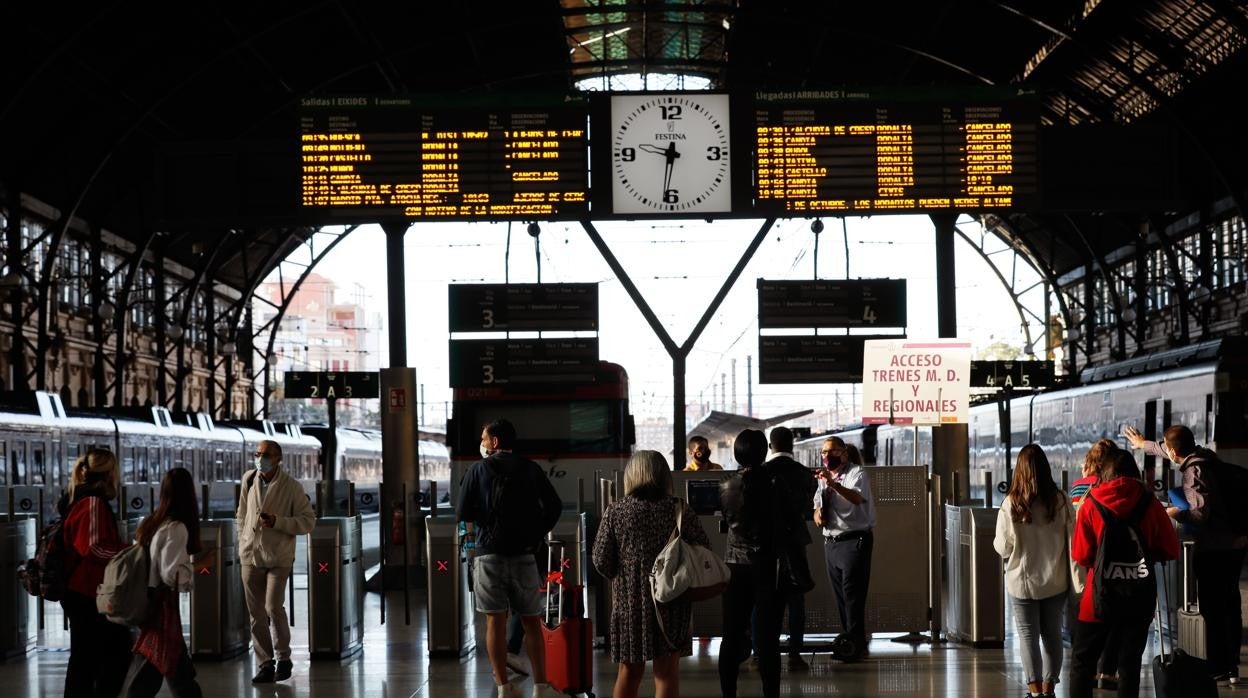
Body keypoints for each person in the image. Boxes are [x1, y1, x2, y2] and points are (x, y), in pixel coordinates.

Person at [1125, 423, 1247, 685]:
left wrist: (1174, 512)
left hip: (1214, 548)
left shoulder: (1194, 471)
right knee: (1230, 605)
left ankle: (1219, 669)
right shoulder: (1207, 456)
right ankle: (1232, 666)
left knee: (1214, 609)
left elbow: (1199, 513)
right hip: (1235, 544)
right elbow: (1168, 447)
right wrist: (1144, 444)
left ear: (1172, 451)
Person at [457, 419, 563, 698]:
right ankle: (540, 686)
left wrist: (486, 520)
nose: (481, 443)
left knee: (495, 622)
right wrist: (535, 532)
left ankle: (504, 686)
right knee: (531, 622)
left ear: (494, 442)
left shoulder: (477, 470)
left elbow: (461, 512)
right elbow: (554, 505)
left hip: (488, 555)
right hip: (524, 555)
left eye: (483, 438)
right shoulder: (530, 468)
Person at [592, 450, 709, 698]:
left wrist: (622, 574)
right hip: (672, 599)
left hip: (630, 603)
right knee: (666, 674)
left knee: (629, 673)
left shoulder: (616, 511)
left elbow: (601, 559)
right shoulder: (679, 509)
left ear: (632, 476)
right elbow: (702, 549)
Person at [1069, 449, 1179, 698]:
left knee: (1083, 663)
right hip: (1138, 598)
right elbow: (1170, 549)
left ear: (1104, 473)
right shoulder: (1150, 503)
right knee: (1129, 665)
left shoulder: (1090, 504)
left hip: (1098, 600)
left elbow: (1081, 555)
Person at [994, 444, 1076, 698]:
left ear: (1019, 471)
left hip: (1022, 582)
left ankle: (1035, 690)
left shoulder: (1011, 504)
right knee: (1052, 634)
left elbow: (1003, 548)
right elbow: (1073, 540)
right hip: (1056, 580)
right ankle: (1050, 688)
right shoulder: (1061, 500)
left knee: (1028, 635)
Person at [718, 428, 795, 698]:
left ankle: (729, 694)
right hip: (768, 566)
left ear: (737, 452)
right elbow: (788, 519)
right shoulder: (776, 482)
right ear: (765, 451)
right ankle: (770, 694)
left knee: (732, 635)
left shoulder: (727, 484)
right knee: (767, 639)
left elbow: (731, 522)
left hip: (735, 566)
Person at [236, 439, 316, 684]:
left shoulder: (291, 487)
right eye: (258, 453)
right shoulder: (249, 479)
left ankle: (284, 657)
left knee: (272, 607)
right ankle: (265, 663)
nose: (260, 458)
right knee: (255, 613)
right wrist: (243, 539)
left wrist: (278, 521)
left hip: (279, 557)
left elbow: (308, 521)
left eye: (266, 454)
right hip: (251, 555)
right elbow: (241, 513)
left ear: (278, 459)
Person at [127, 467, 203, 698]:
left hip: (148, 601)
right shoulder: (176, 527)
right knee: (163, 664)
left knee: (165, 662)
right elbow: (171, 574)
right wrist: (200, 565)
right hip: (162, 606)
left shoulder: (151, 522)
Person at [61, 448, 131, 698]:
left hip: (88, 592)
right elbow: (92, 548)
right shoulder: (91, 502)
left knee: (90, 657)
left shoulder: (85, 499)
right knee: (100, 656)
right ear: (110, 472)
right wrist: (127, 553)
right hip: (86, 593)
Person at [813, 435, 877, 661]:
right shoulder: (823, 477)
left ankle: (856, 644)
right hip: (831, 543)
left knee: (853, 594)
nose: (826, 456)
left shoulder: (856, 474)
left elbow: (856, 499)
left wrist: (833, 484)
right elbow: (816, 507)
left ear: (844, 453)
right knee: (841, 596)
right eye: (823, 453)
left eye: (831, 452)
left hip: (854, 541)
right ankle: (850, 642)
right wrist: (817, 515)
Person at [759, 426, 817, 671]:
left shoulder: (760, 473)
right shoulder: (804, 474)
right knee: (795, 600)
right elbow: (807, 507)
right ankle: (795, 654)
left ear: (771, 446)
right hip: (794, 543)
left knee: (762, 600)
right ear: (792, 445)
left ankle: (760, 654)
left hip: (765, 543)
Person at [1070, 438, 1121, 691]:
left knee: (1089, 620)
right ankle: (1108, 672)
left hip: (1087, 563)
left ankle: (1090, 672)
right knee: (1114, 621)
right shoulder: (1116, 487)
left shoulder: (1079, 487)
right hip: (1115, 564)